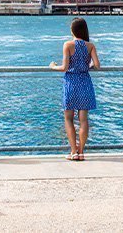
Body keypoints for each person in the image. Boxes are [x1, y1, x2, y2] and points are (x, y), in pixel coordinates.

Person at [50, 17, 100, 161]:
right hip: (85, 82)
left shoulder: (67, 45)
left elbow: (64, 67)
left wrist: (53, 66)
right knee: (83, 120)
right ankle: (81, 151)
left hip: (71, 83)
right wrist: (86, 66)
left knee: (68, 119)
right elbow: (97, 65)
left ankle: (73, 152)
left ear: (72, 30)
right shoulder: (90, 46)